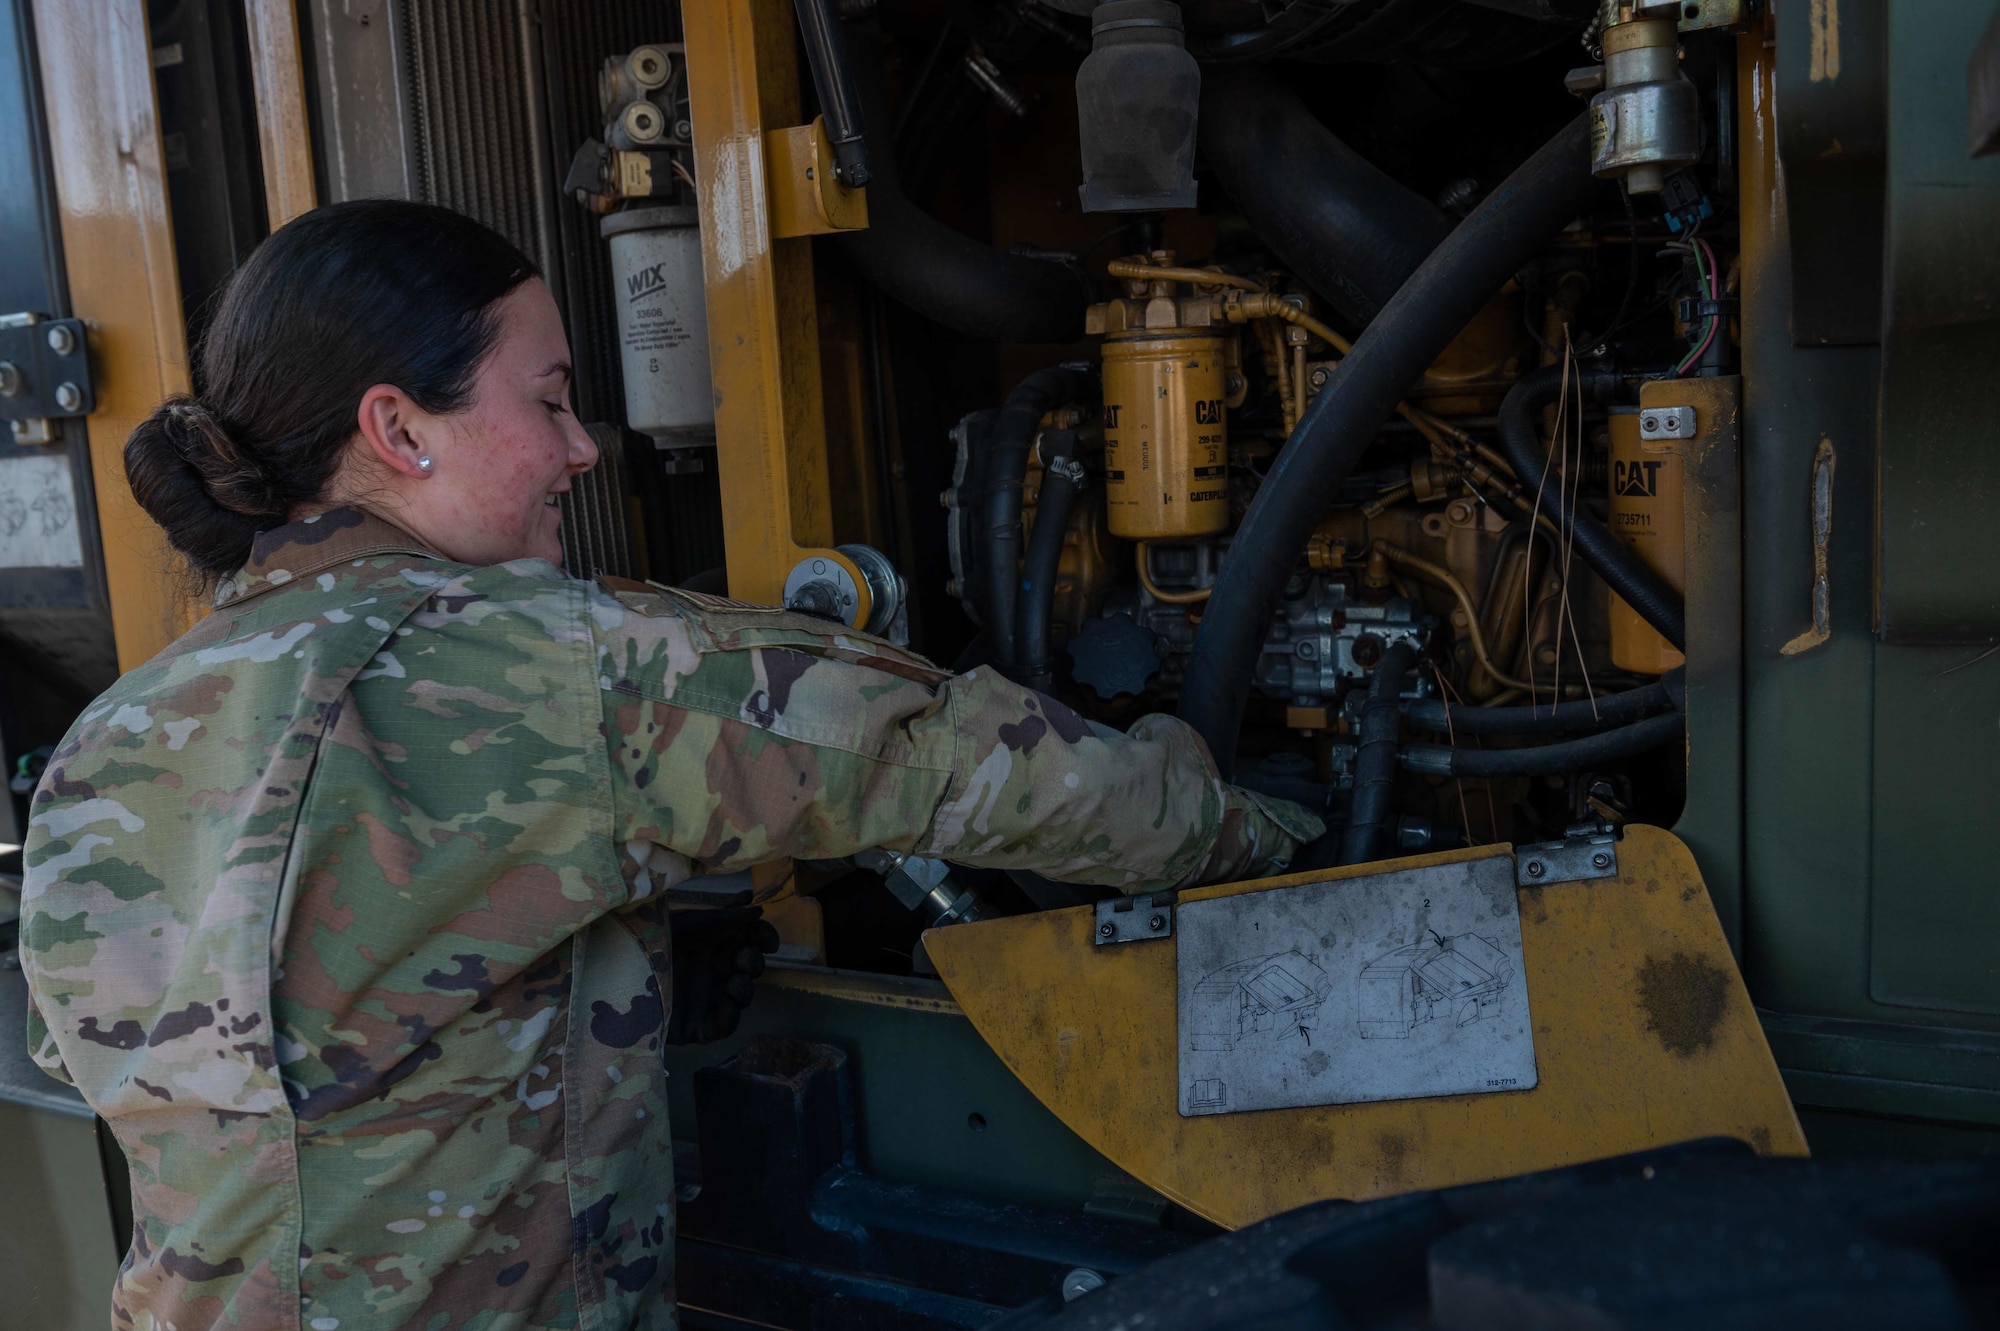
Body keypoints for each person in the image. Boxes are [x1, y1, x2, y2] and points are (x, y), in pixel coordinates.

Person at [18, 200, 1320, 1330]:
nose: (583, 449)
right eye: (547, 401)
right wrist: (1260, 827)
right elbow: (964, 761)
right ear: (399, 430)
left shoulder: (111, 739)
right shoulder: (540, 672)